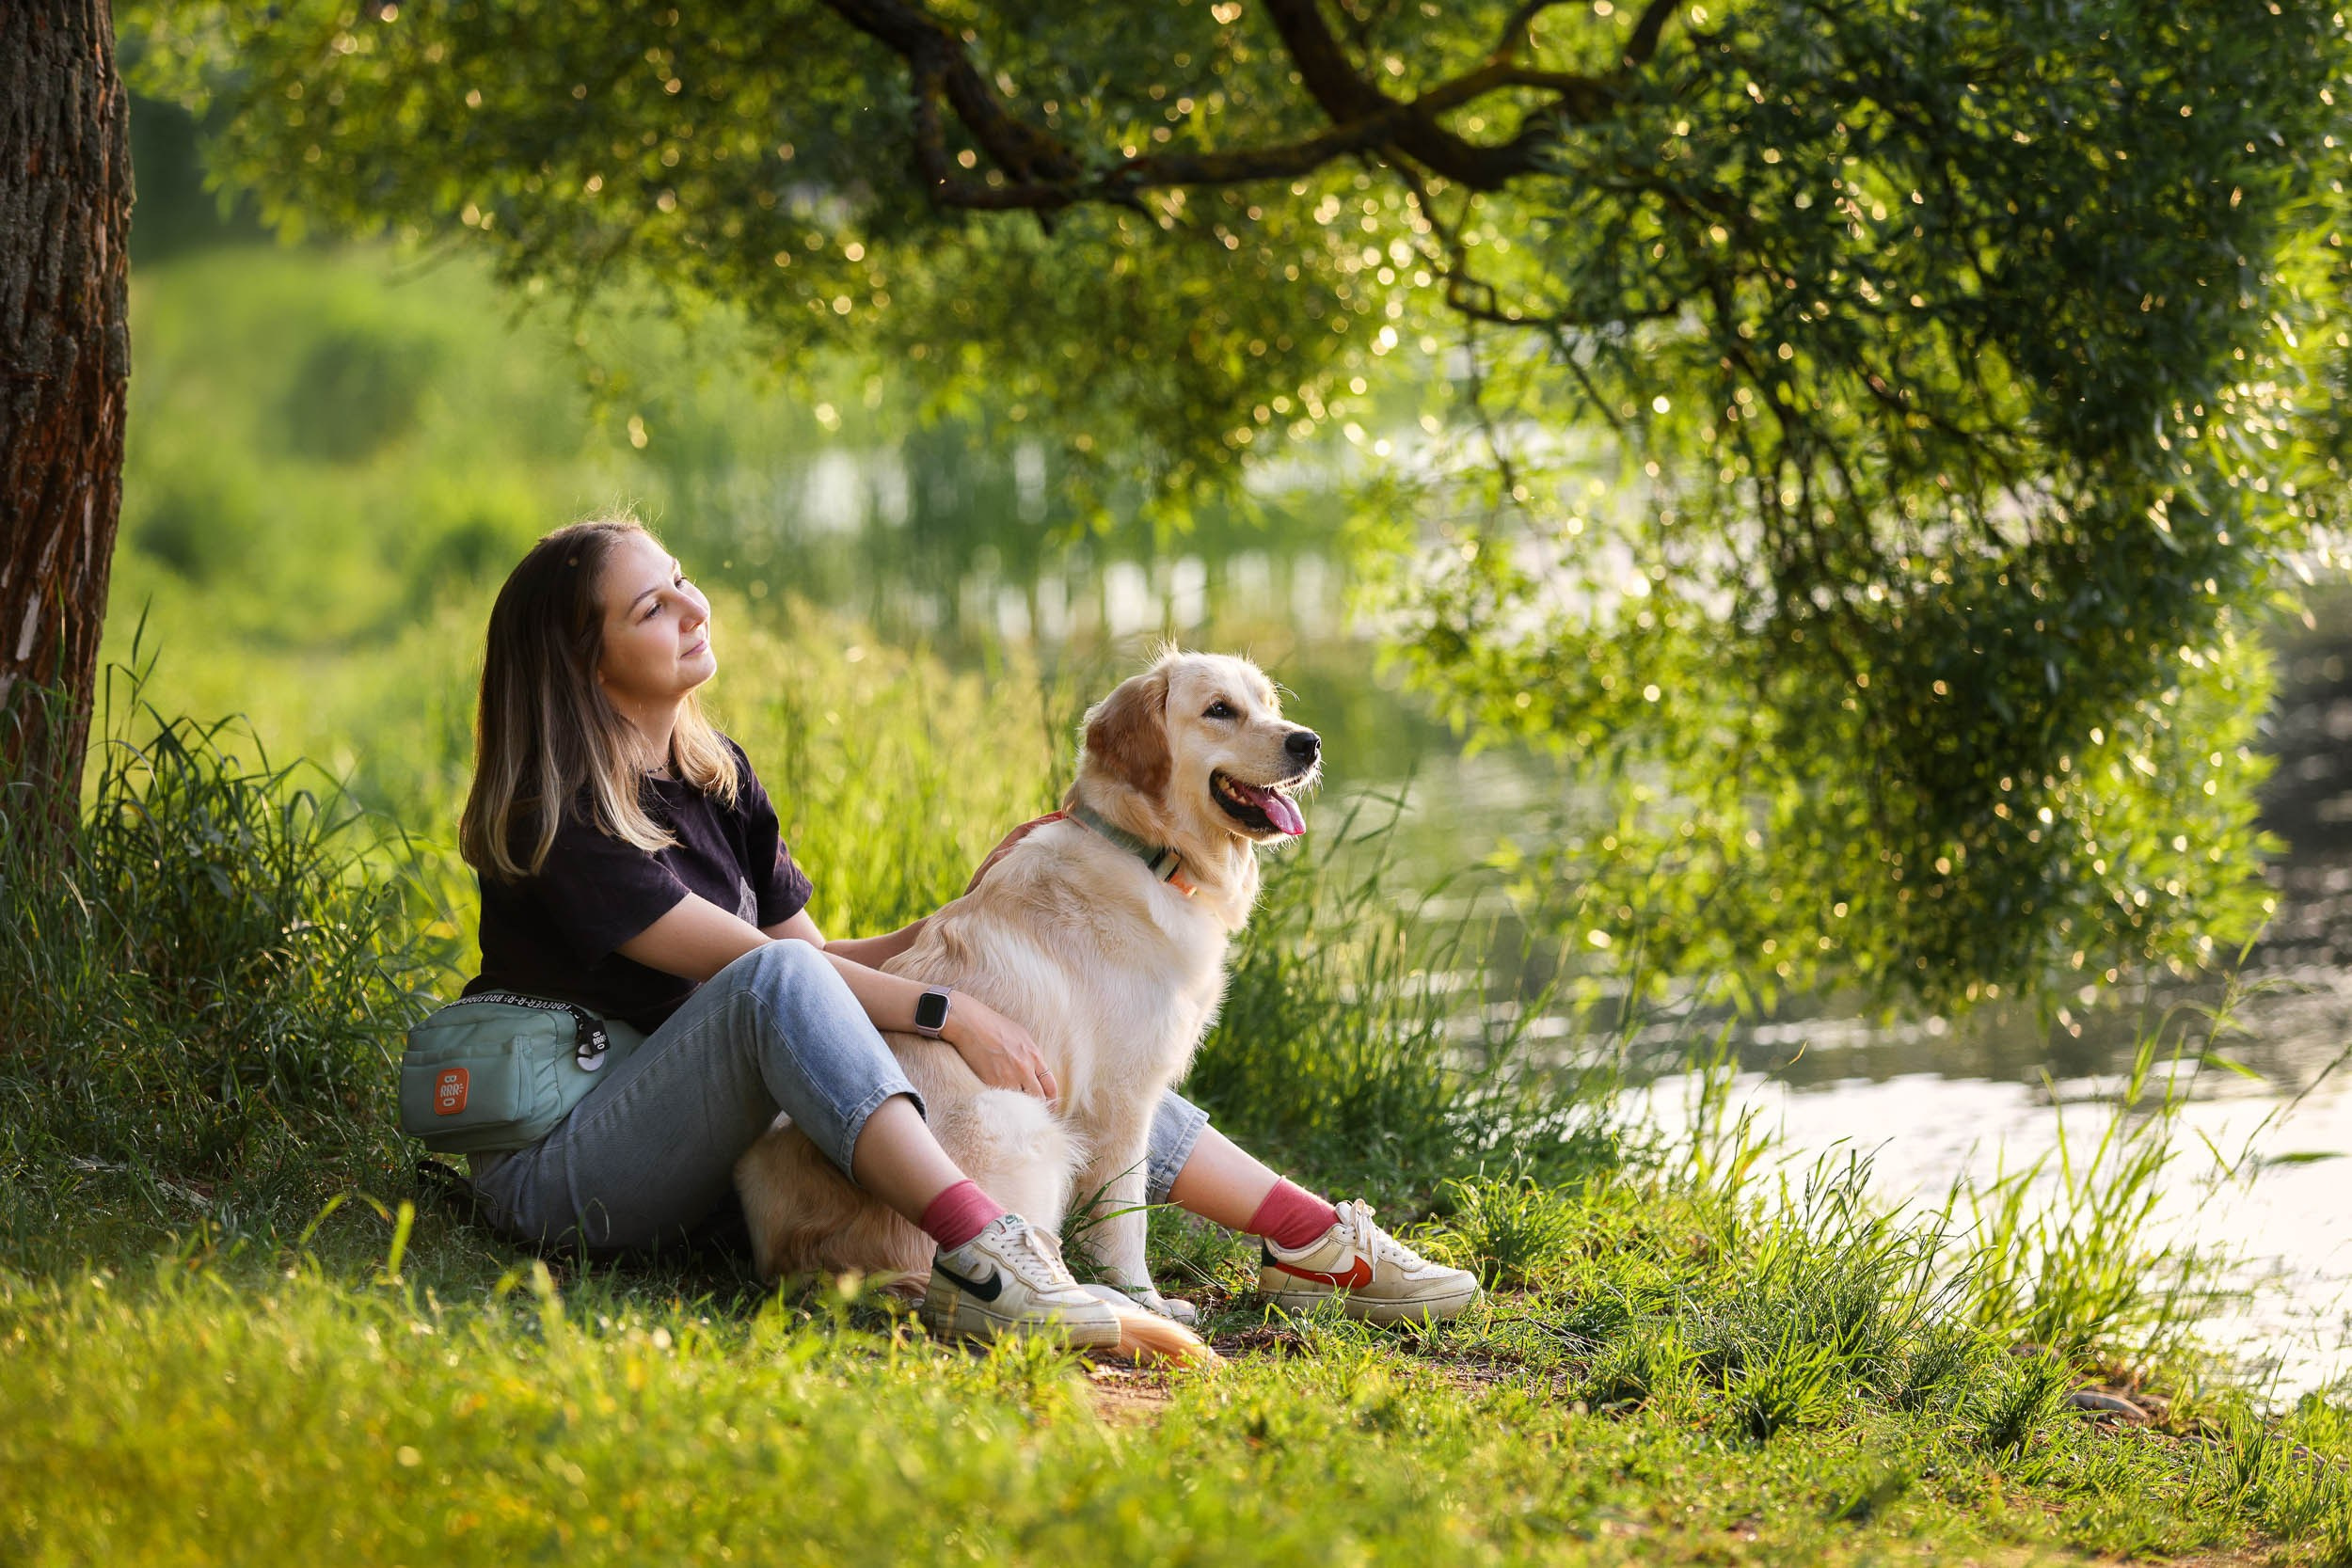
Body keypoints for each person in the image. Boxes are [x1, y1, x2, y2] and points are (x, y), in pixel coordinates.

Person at [456, 515, 1481, 1346]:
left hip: (702, 1136)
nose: (692, 604)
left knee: (1057, 1045)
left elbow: (817, 962)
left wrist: (968, 926)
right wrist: (946, 1006)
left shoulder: (712, 774)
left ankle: (1308, 1239)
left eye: (680, 578)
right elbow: (767, 976)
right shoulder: (558, 814)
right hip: (572, 1169)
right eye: (651, 603)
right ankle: (985, 1251)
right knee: (900, 1007)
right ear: (585, 661)